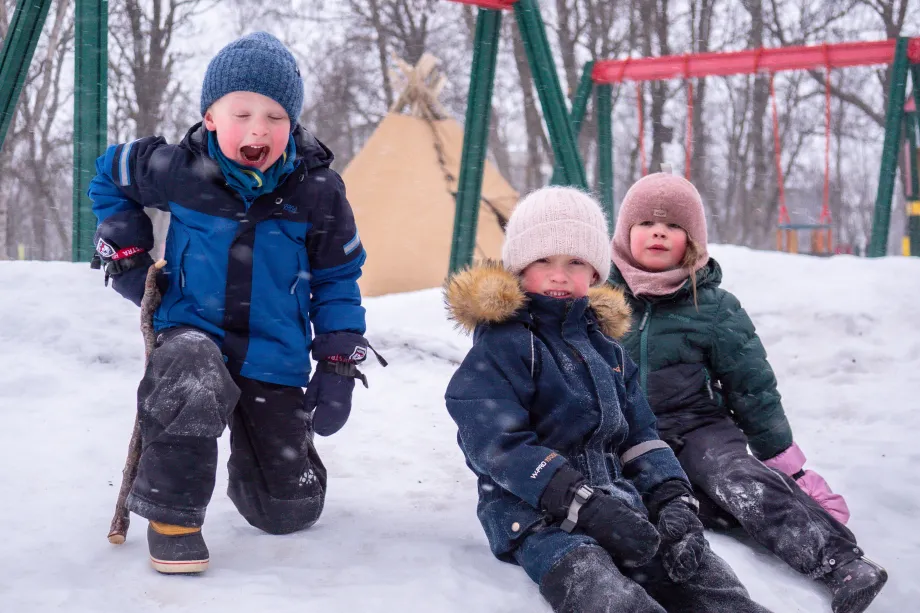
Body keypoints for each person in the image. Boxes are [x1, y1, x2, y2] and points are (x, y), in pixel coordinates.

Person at [88, 32, 376, 574]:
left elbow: (338, 278)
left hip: (274, 351)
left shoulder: (317, 191)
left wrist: (338, 360)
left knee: (288, 512)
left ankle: (276, 462)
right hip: (192, 334)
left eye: (275, 116)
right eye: (241, 112)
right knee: (190, 370)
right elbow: (109, 172)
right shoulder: (177, 169)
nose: (258, 129)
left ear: (292, 124)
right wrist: (126, 254)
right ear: (211, 115)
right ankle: (173, 518)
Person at [443, 186, 772, 612]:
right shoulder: (504, 345)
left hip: (619, 500)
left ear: (596, 273)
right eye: (542, 261)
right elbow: (496, 446)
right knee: (600, 588)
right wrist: (583, 506)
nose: (559, 275)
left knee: (700, 573)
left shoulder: (608, 350)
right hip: (537, 516)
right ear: (518, 269)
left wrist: (672, 497)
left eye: (575, 262)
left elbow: (640, 433)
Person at [608, 170, 887, 613]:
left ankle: (841, 563)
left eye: (674, 226)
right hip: (626, 432)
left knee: (738, 479)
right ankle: (710, 511)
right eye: (645, 223)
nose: (658, 231)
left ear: (693, 241)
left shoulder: (714, 307)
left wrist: (788, 467)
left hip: (698, 426)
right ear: (624, 235)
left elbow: (752, 387)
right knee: (637, 499)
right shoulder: (598, 299)